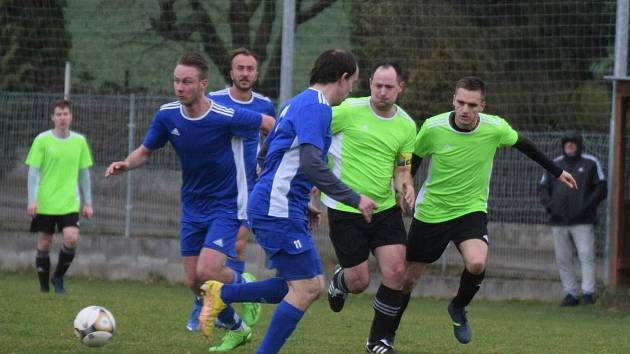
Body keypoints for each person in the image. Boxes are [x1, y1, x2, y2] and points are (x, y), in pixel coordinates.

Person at [197, 48, 378, 354]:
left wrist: (300, 199)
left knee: (294, 285)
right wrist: (353, 197)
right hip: (276, 207)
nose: (351, 90)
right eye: (353, 82)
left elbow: (270, 155)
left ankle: (222, 293)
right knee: (308, 287)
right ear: (343, 77)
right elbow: (310, 162)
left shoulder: (298, 102)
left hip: (280, 204)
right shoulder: (317, 107)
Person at [105, 52, 275, 351]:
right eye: (176, 81)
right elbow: (146, 150)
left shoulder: (224, 115)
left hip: (225, 204)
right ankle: (238, 328)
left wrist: (275, 161)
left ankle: (243, 284)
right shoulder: (167, 115)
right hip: (192, 207)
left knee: (207, 272)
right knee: (194, 283)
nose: (179, 87)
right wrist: (126, 163)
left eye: (187, 82)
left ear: (202, 84)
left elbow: (270, 123)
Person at [392, 77, 578, 345]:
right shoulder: (433, 128)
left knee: (477, 262)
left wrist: (558, 172)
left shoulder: (495, 128)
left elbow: (525, 145)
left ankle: (458, 307)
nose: (465, 110)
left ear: (482, 105)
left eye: (472, 104)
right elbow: (415, 159)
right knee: (408, 280)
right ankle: (386, 335)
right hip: (432, 210)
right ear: (453, 101)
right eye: (460, 103)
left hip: (471, 209)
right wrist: (404, 189)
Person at [324, 61, 416, 354]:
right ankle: (341, 279)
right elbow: (314, 131)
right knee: (359, 281)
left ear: (400, 88)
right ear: (371, 84)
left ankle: (378, 341)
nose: (382, 92)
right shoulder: (348, 109)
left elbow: (402, 169)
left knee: (397, 271)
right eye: (377, 85)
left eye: (389, 87)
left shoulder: (406, 125)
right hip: (346, 208)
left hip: (385, 208)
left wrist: (407, 187)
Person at [200, 47, 276, 335]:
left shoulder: (265, 105)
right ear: (230, 72)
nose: (245, 73)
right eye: (239, 68)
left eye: (250, 69)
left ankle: (218, 304)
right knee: (206, 254)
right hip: (214, 188)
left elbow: (274, 139)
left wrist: (264, 163)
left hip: (248, 188)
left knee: (236, 245)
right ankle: (240, 287)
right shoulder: (213, 100)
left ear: (255, 73)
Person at [26, 99, 94, 294]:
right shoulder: (42, 140)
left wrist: (88, 202)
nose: (62, 118)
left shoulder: (79, 141)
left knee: (71, 238)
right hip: (45, 201)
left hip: (69, 202)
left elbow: (84, 173)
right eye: (58, 114)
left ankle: (58, 277)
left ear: (71, 117)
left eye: (65, 114)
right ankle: (44, 289)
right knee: (44, 243)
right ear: (52, 117)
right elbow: (33, 172)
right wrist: (32, 200)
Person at [539, 131, 607, 306]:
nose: (570, 146)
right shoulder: (554, 164)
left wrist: (586, 208)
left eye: (573, 143)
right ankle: (570, 294)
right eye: (567, 143)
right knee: (563, 258)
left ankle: (588, 293)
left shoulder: (591, 163)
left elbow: (600, 188)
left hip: (583, 221)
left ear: (579, 145)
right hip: (558, 221)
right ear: (563, 146)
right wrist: (551, 207)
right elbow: (543, 189)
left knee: (586, 255)